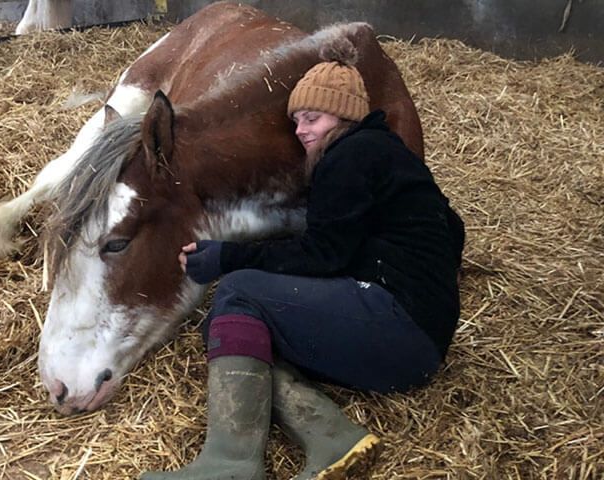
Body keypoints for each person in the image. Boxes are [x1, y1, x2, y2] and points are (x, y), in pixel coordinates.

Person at [141, 38, 465, 480]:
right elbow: (454, 228)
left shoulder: (352, 155)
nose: (301, 131)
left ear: (344, 116)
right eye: (296, 121)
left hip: (398, 328)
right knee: (232, 328)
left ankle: (231, 462)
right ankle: (330, 434)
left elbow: (323, 254)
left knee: (237, 291)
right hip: (419, 338)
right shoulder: (390, 156)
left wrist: (227, 258)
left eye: (312, 117)